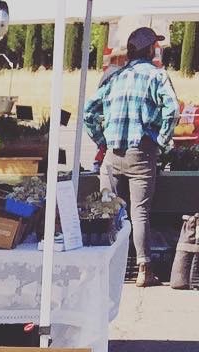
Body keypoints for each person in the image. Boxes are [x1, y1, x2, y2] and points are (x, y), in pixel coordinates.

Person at [84, 26, 179, 287]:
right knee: (139, 213)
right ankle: (143, 270)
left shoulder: (114, 77)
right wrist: (161, 142)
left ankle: (103, 267)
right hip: (141, 152)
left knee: (108, 209)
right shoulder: (157, 76)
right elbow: (172, 111)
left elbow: (88, 113)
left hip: (113, 155)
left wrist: (103, 141)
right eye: (155, 45)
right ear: (149, 49)